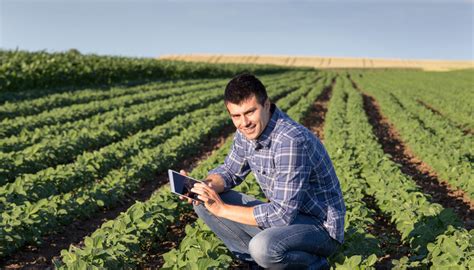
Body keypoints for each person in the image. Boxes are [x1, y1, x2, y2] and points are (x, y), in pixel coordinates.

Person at [179, 73, 345, 269]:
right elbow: (230, 171)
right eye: (236, 116)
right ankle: (257, 264)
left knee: (263, 247)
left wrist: (222, 209)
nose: (244, 122)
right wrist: (202, 187)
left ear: (266, 104)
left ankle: (314, 263)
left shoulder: (290, 141)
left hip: (319, 228)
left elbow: (281, 216)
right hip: (288, 219)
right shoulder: (245, 131)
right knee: (203, 202)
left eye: (250, 112)